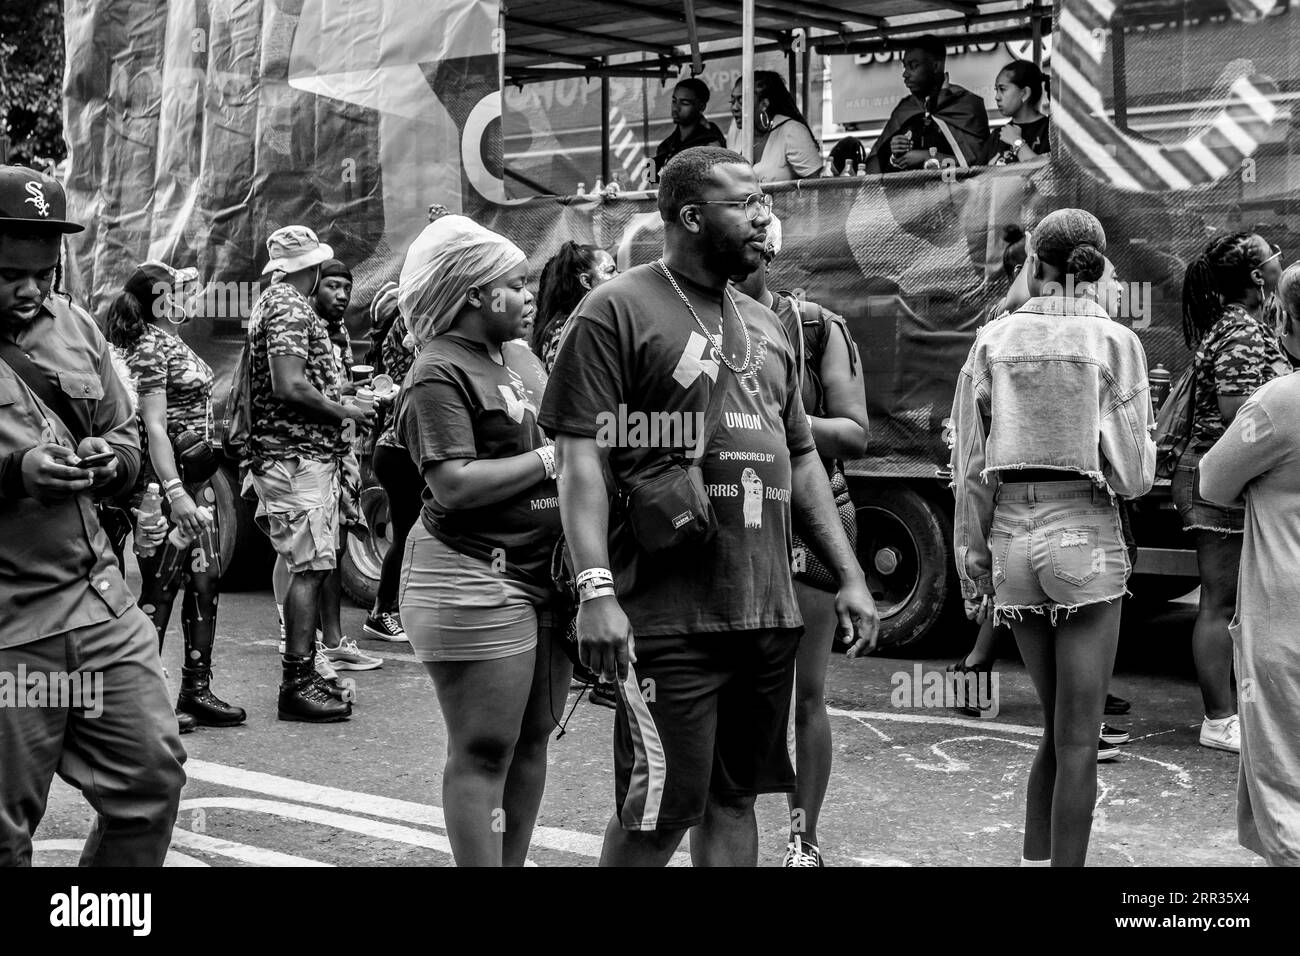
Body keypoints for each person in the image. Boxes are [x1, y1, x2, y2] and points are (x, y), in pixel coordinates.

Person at [540, 146, 879, 867]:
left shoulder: (764, 324)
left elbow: (803, 455)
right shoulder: (615, 310)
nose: (765, 218)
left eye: (765, 203)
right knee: (658, 816)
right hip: (669, 619)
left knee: (735, 800)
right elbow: (580, 461)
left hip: (765, 609)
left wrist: (846, 573)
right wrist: (594, 588)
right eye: (745, 204)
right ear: (691, 216)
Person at [951, 209, 1155, 866]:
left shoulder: (991, 341)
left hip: (1012, 541)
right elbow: (1132, 477)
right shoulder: (1116, 343)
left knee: (1055, 731)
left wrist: (973, 568)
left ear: (1035, 262)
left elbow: (970, 472)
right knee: (1079, 740)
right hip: (1084, 537)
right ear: (1094, 265)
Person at [0, 164, 186, 864]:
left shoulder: (75, 327)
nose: (29, 289)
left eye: (44, 273)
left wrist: (116, 461)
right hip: (9, 628)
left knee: (151, 782)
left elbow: (128, 434)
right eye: (8, 273)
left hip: (99, 605)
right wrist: (14, 473)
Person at [394, 214, 570, 866]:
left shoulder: (519, 356)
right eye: (515, 285)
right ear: (474, 292)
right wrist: (553, 462)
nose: (528, 297)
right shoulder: (437, 371)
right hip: (469, 574)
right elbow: (454, 485)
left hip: (543, 573)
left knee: (532, 740)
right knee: (485, 748)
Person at [731, 215, 870, 867]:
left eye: (753, 253)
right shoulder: (699, 319)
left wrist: (776, 419)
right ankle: (732, 822)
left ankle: (802, 839)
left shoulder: (814, 326)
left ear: (769, 255)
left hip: (811, 523)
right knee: (738, 695)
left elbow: (855, 431)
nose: (739, 266)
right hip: (736, 523)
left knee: (806, 693)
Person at [104, 260, 245, 729]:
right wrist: (175, 492)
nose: (192, 297)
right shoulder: (148, 345)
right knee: (161, 587)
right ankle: (144, 700)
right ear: (160, 300)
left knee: (205, 581)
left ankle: (196, 691)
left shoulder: (172, 340)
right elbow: (154, 426)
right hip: (162, 488)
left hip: (195, 483)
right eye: (181, 291)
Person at [246, 224, 375, 722]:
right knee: (309, 567)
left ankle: (306, 674)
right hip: (294, 456)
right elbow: (289, 384)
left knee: (315, 564)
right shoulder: (286, 305)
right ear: (311, 266)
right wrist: (344, 412)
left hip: (300, 453)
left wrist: (342, 400)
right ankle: (296, 683)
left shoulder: (283, 304)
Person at [1199, 262, 1300, 865]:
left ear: (1284, 319)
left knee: (1285, 777)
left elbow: (1213, 480)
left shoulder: (1278, 403)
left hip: (1286, 612)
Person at [1175, 232, 1287, 754]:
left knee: (1232, 604)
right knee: (1220, 603)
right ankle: (1219, 719)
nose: (1279, 261)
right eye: (1272, 258)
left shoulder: (1244, 326)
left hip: (1229, 479)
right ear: (1255, 277)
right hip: (1219, 479)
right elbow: (1237, 416)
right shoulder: (1241, 332)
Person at [864, 35, 990, 173]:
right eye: (905, 67)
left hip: (957, 192)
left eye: (914, 66)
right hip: (909, 193)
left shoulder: (966, 105)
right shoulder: (906, 109)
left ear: (936, 66)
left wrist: (928, 157)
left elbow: (980, 165)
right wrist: (893, 152)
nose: (905, 74)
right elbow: (876, 166)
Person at [531, 242, 618, 390]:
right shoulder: (565, 330)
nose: (619, 276)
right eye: (610, 271)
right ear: (586, 281)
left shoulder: (579, 322)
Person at [726, 72, 822, 182]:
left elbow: (817, 186)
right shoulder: (735, 130)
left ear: (764, 104)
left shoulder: (792, 131)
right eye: (732, 101)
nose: (734, 107)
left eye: (741, 101)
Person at [654, 78, 727, 179]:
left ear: (701, 106)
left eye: (684, 103)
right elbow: (651, 181)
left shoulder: (710, 144)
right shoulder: (665, 146)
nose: (676, 108)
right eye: (674, 101)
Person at [985, 60, 1050, 165]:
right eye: (996, 90)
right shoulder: (997, 135)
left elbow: (1048, 174)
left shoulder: (1050, 132)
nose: (997, 97)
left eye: (1002, 89)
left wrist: (1016, 142)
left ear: (1025, 93)